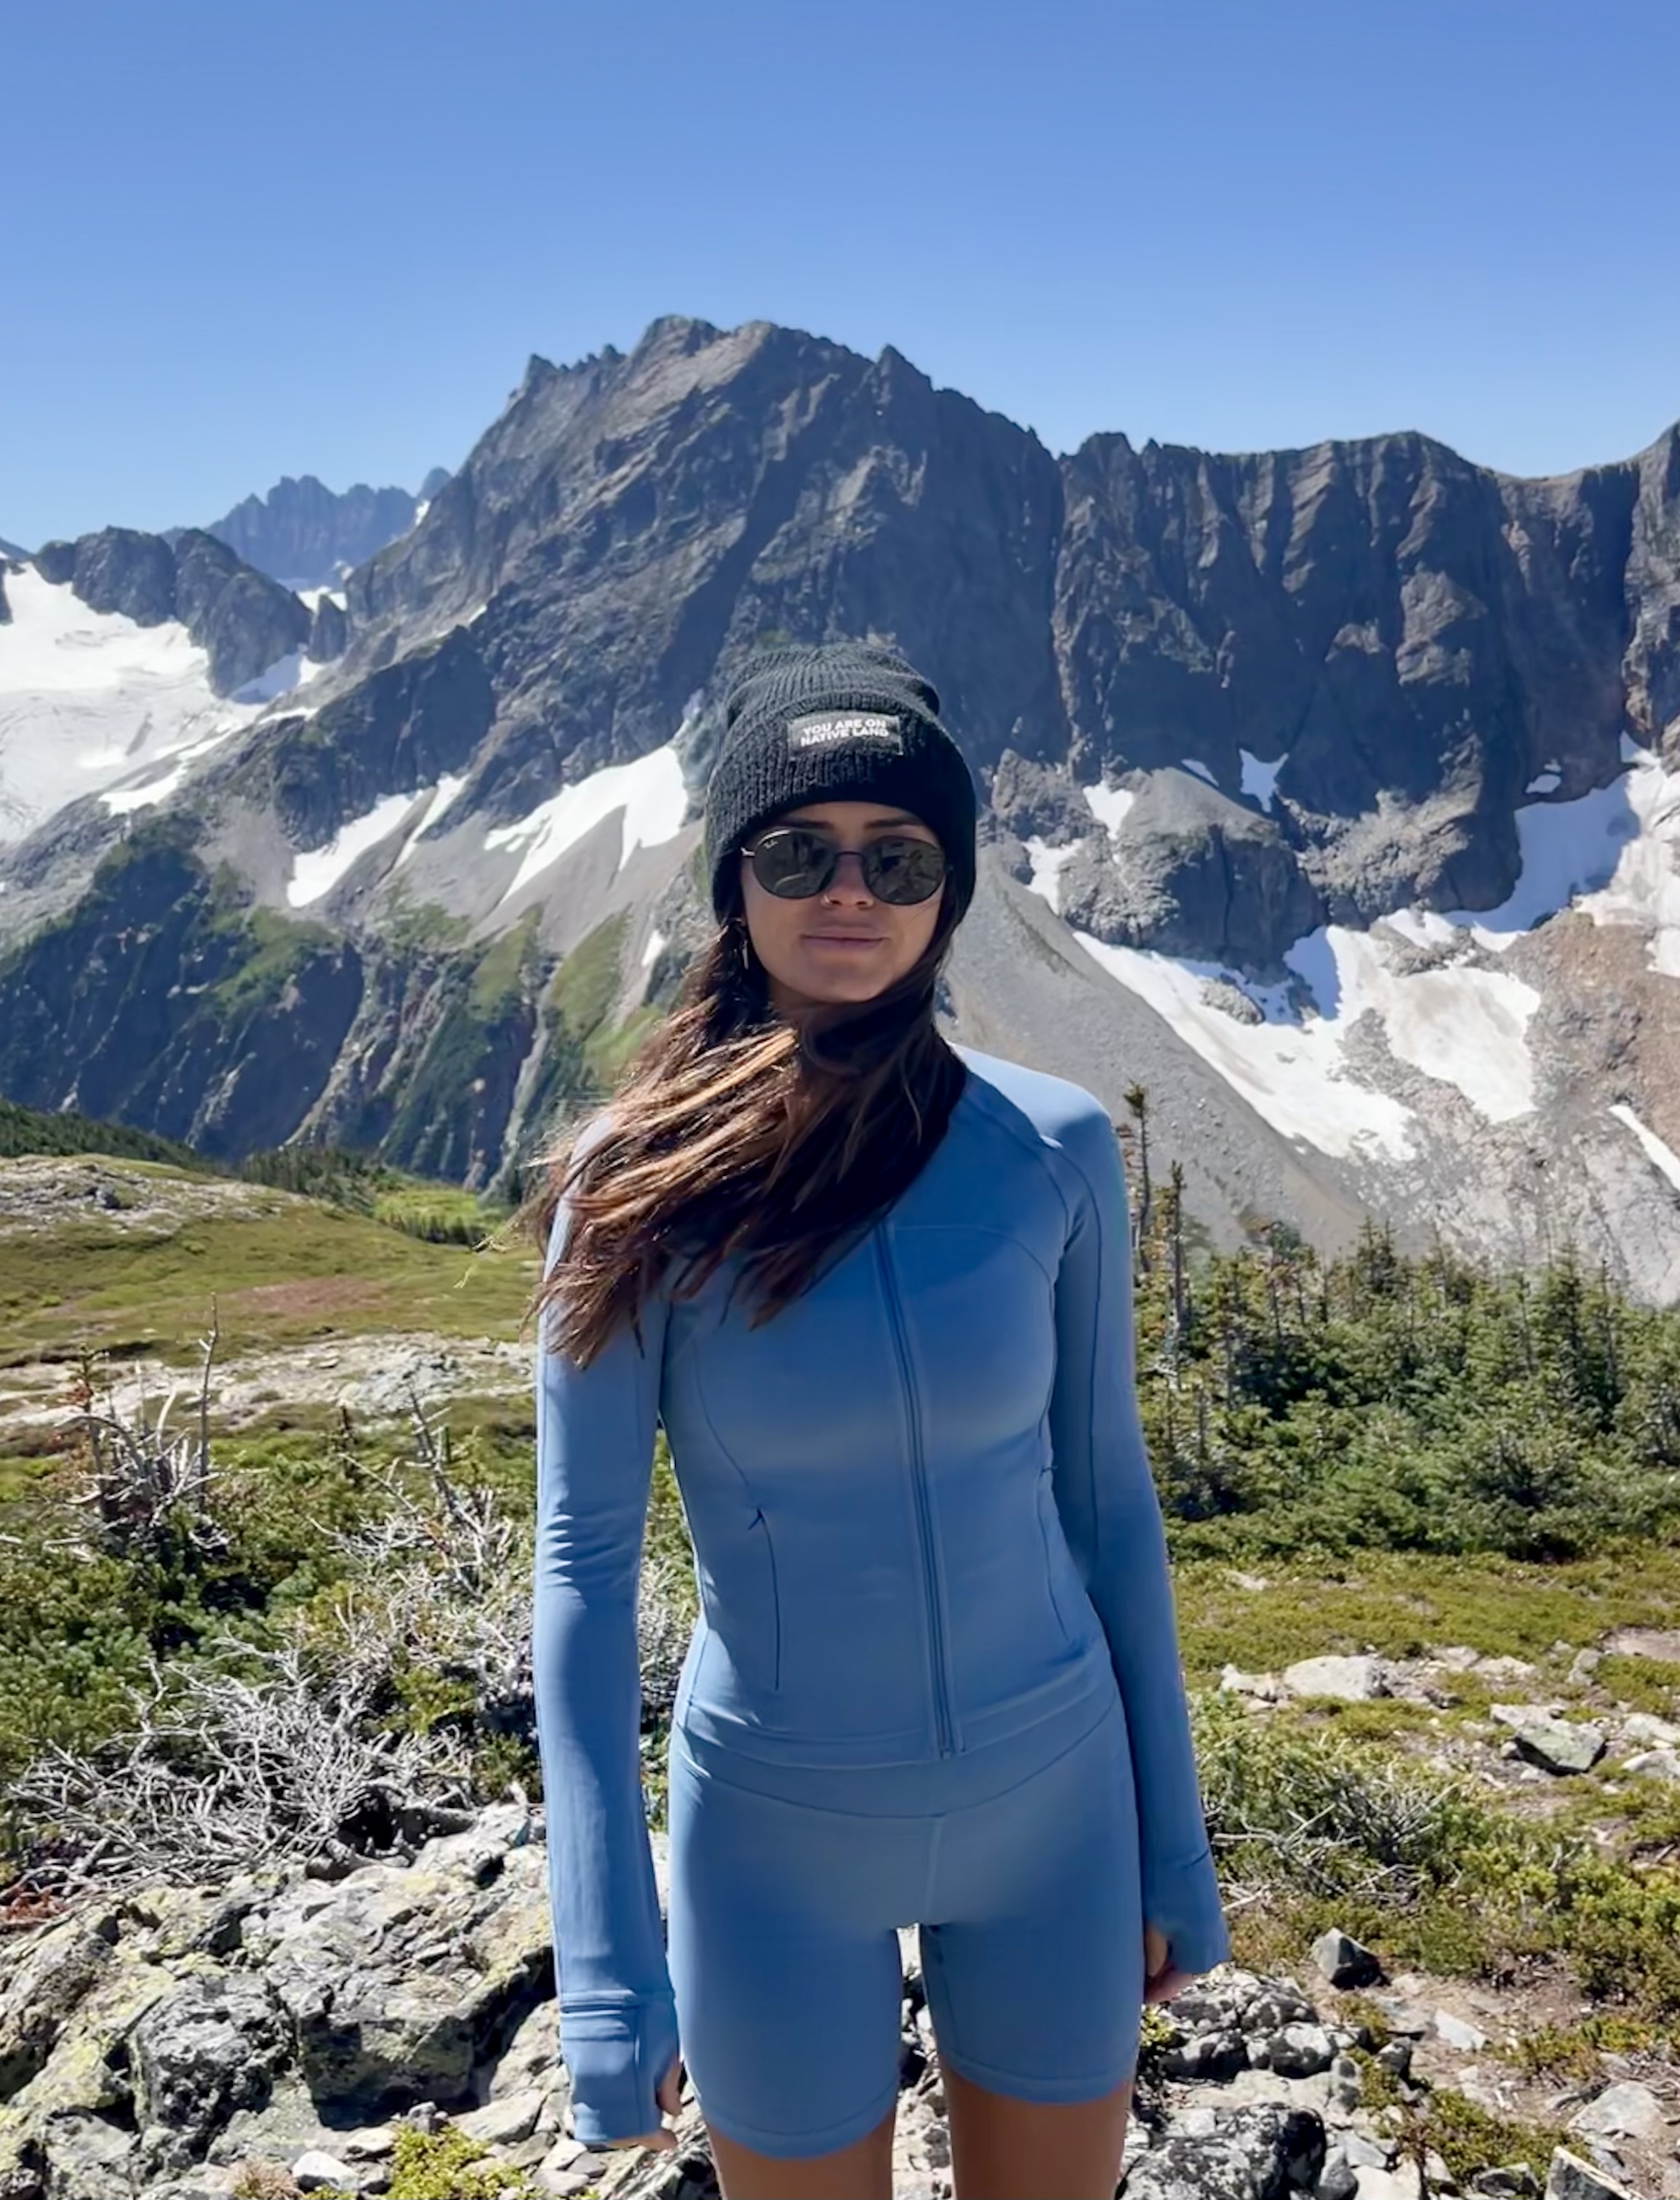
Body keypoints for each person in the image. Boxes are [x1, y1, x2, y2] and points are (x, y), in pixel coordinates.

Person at [530, 643, 1229, 2200]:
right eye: (797, 851)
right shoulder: (631, 1183)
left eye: (897, 857)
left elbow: (1109, 1506)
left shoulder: (1052, 1147)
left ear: (950, 887)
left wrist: (1171, 1843)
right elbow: (580, 1576)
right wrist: (603, 1961)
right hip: (773, 1840)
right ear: (734, 880)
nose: (849, 892)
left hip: (1058, 1808)